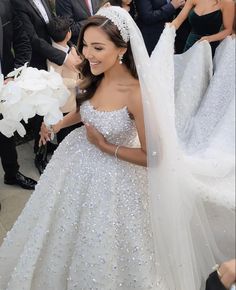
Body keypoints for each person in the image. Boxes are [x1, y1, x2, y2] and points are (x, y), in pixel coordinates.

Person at [0, 6, 234, 290]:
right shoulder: (95, 74)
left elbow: (154, 156)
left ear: (122, 48)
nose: (87, 54)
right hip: (73, 164)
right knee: (59, 232)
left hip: (116, 178)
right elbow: (86, 109)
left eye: (98, 47)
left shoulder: (136, 93)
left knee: (104, 243)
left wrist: (106, 146)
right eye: (85, 45)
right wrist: (58, 124)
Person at [11, 0, 82, 174]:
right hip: (40, 64)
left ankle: (50, 145)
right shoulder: (18, 4)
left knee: (54, 112)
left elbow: (52, 25)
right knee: (41, 115)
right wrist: (63, 57)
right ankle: (40, 154)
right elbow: (33, 39)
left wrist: (69, 48)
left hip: (55, 53)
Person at [0, 0, 37, 192]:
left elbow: (22, 40)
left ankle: (12, 174)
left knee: (6, 133)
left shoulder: (5, 3)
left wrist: (14, 74)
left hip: (5, 84)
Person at [47, 16, 82, 144]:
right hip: (65, 104)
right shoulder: (54, 56)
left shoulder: (70, 47)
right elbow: (56, 80)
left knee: (78, 134)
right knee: (66, 137)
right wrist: (76, 83)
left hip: (76, 99)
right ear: (69, 34)